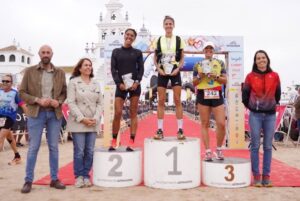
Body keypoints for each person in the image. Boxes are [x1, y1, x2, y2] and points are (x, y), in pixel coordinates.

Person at [19, 45, 67, 193]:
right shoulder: (30, 71)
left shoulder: (60, 72)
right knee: (33, 147)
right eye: (43, 52)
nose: (46, 54)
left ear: (52, 54)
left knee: (54, 147)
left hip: (54, 114)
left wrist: (57, 101)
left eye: (48, 52)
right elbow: (22, 92)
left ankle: (54, 179)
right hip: (36, 113)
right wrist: (37, 100)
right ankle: (28, 181)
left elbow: (64, 93)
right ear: (39, 54)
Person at [242, 50, 281, 187]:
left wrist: (269, 106)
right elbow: (245, 96)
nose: (261, 60)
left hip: (270, 115)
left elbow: (278, 95)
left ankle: (266, 177)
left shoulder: (275, 76)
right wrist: (253, 107)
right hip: (255, 116)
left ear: (267, 59)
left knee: (268, 147)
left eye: (263, 57)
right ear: (255, 61)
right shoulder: (250, 76)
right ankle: (257, 177)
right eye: (258, 58)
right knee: (255, 146)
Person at [67, 58, 103, 188]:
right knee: (79, 151)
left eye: (90, 65)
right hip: (79, 122)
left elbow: (100, 103)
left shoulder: (96, 84)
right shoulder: (73, 82)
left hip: (93, 121)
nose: (88, 67)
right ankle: (79, 176)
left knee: (89, 151)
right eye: (85, 65)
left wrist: (96, 117)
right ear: (80, 68)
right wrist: (82, 118)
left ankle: (87, 175)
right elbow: (71, 102)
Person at [110, 28, 144, 151]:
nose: (129, 37)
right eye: (127, 34)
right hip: (121, 86)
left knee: (133, 112)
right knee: (118, 112)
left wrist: (137, 82)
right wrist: (119, 84)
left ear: (134, 38)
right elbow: (113, 70)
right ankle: (114, 139)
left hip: (134, 86)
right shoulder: (116, 52)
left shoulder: (137, 53)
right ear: (124, 35)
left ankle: (132, 140)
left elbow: (141, 70)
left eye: (132, 35)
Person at [192, 41, 227, 161]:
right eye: (206, 48)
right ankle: (207, 151)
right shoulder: (197, 64)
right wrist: (200, 76)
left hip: (216, 93)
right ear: (203, 51)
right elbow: (194, 82)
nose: (208, 50)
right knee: (205, 123)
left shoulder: (220, 63)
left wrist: (215, 77)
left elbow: (225, 80)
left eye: (210, 48)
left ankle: (218, 149)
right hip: (203, 93)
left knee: (221, 124)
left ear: (213, 51)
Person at [153, 15, 185, 140]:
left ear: (173, 25)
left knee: (177, 99)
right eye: (166, 24)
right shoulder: (159, 40)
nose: (168, 26)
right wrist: (158, 68)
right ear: (163, 25)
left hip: (174, 70)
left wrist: (178, 68)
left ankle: (180, 130)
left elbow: (182, 57)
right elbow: (155, 57)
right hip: (162, 71)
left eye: (170, 24)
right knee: (161, 100)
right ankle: (160, 130)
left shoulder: (178, 39)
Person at [0, 74, 27, 165]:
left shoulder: (15, 94)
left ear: (11, 83)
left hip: (9, 118)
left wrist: (30, 119)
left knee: (0, 138)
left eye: (7, 81)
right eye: (3, 81)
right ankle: (17, 157)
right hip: (0, 118)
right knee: (10, 138)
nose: (4, 83)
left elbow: (23, 106)